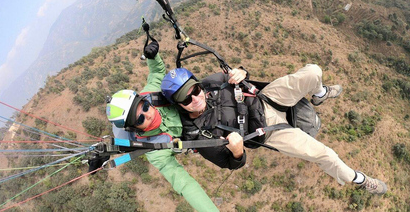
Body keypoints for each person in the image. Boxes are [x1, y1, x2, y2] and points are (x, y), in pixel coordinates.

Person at [161, 64, 388, 195]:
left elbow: (240, 77)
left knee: (313, 72)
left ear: (198, 84)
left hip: (266, 99)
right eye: (186, 98)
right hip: (267, 131)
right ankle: (359, 180)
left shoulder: (212, 83)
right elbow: (230, 163)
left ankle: (320, 94)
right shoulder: (200, 134)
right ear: (178, 104)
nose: (195, 98)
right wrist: (238, 152)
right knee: (324, 154)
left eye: (195, 90)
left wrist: (242, 72)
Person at [104, 39, 219, 212]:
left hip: (197, 104)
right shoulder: (155, 152)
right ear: (134, 128)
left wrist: (152, 56)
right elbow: (185, 184)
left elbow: (157, 72)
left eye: (144, 106)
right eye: (140, 120)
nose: (148, 114)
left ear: (144, 99)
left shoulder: (152, 94)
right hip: (200, 129)